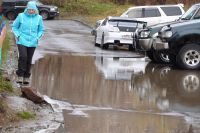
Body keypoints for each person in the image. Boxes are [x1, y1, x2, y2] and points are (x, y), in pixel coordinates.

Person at [12, 1, 44, 84]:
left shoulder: (39, 18)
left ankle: (26, 76)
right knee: (23, 57)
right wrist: (18, 35)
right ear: (27, 9)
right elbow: (14, 27)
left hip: (33, 41)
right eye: (29, 9)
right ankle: (20, 75)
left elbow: (41, 30)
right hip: (22, 40)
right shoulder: (21, 16)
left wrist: (37, 37)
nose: (31, 11)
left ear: (35, 10)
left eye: (33, 10)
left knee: (29, 59)